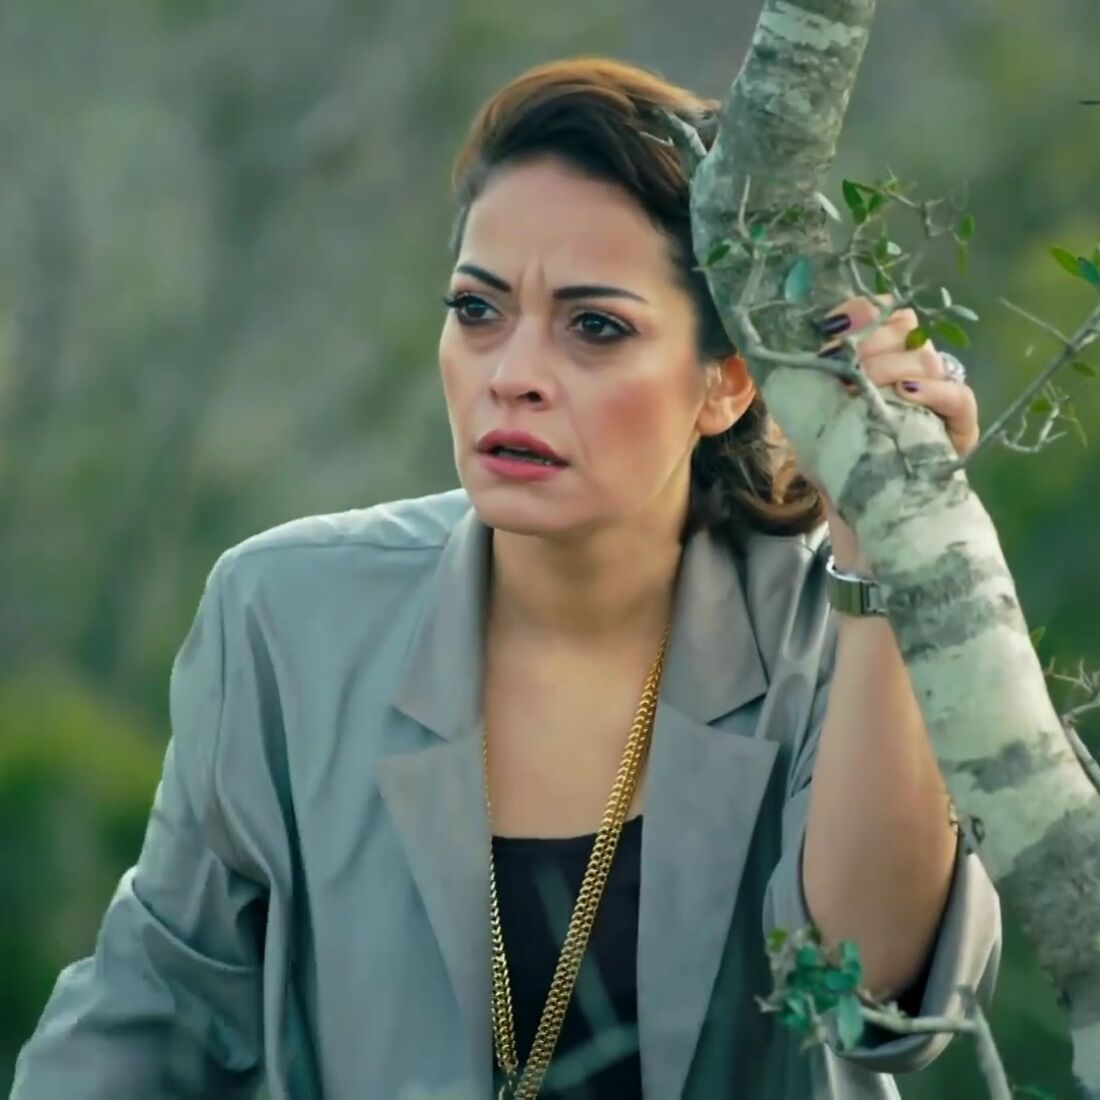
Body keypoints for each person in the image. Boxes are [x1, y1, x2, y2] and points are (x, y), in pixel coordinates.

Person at [12, 56, 999, 1100]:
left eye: (595, 326)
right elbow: (151, 1014)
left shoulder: (823, 631)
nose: (512, 373)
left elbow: (869, 1001)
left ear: (726, 383)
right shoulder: (288, 618)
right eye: (478, 310)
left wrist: (885, 555)